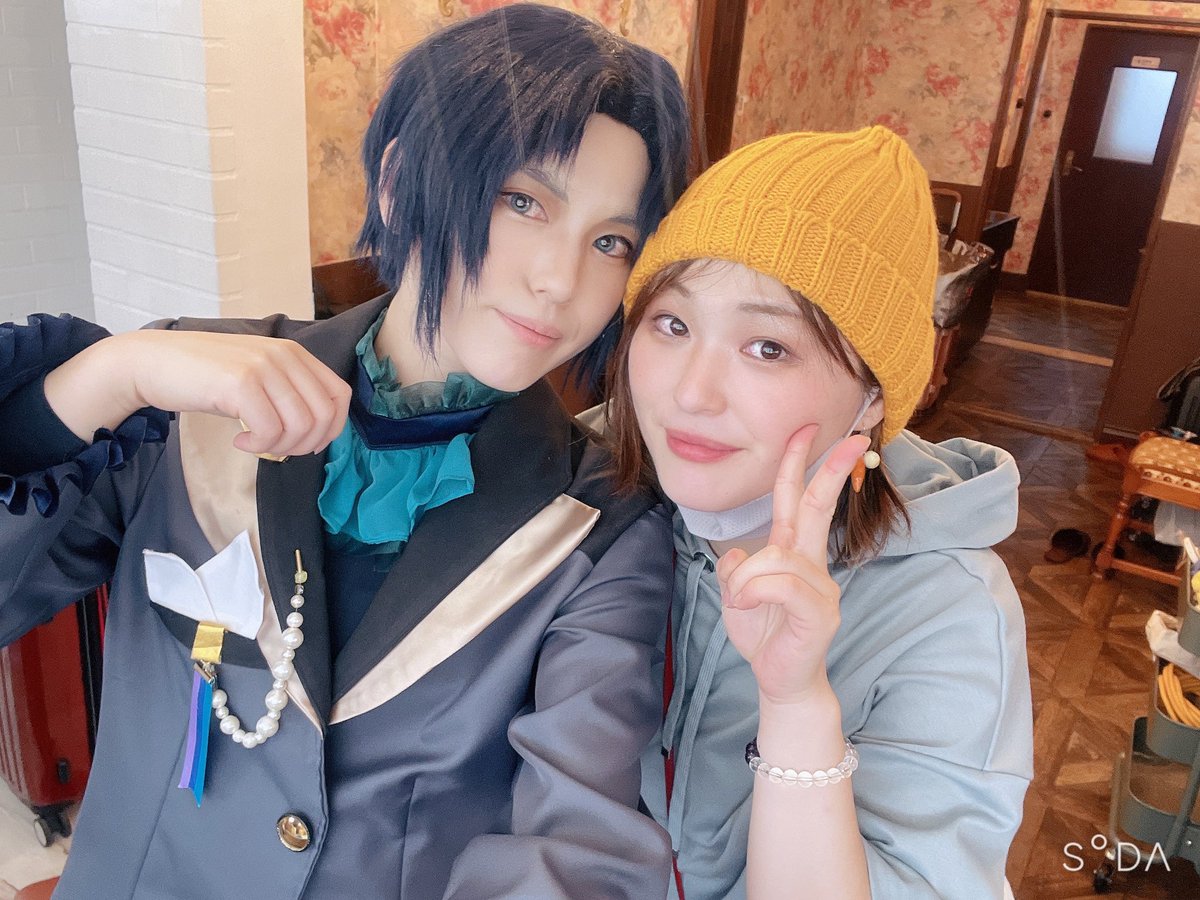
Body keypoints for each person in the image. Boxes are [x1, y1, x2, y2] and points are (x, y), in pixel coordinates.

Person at [0, 5, 689, 897]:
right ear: (399, 183)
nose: (562, 280)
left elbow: (577, 846)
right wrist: (113, 374)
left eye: (610, 242)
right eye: (523, 202)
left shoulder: (601, 528)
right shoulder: (187, 401)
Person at [605, 127, 1034, 898]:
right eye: (672, 324)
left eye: (768, 347)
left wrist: (796, 704)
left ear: (871, 400)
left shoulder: (947, 615)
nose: (691, 393)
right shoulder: (587, 490)